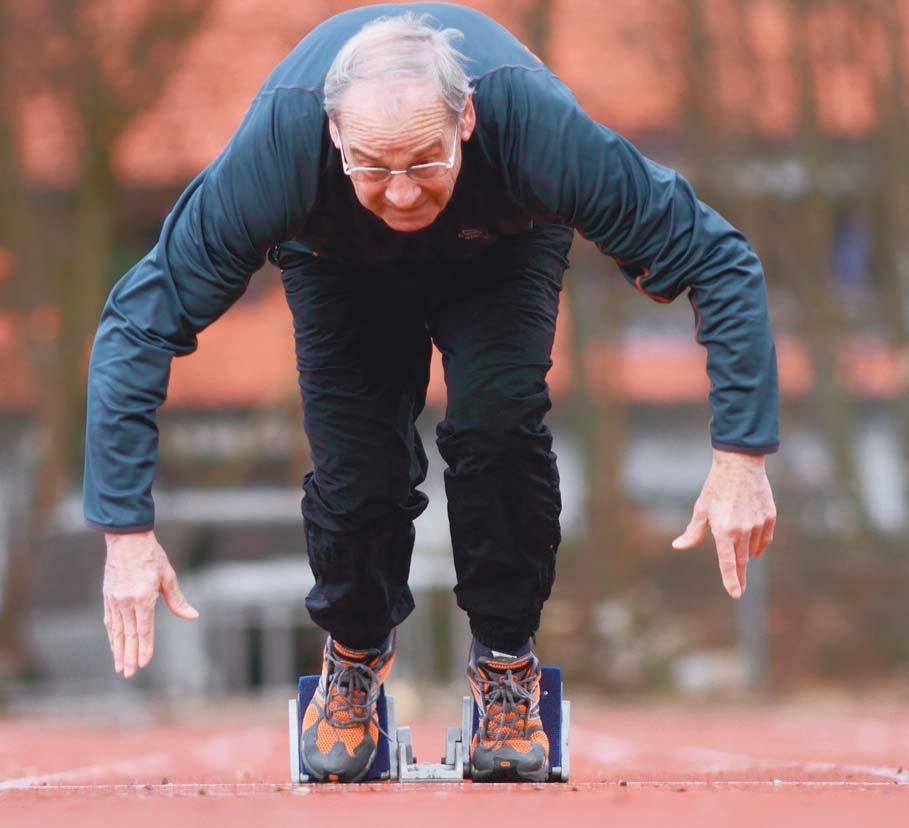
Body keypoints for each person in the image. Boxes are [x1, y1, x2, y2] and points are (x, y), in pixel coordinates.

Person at [85, 4, 778, 783]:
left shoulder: (538, 131)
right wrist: (125, 530)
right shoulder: (275, 154)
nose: (404, 195)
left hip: (501, 244)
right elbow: (138, 323)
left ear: (467, 120)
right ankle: (352, 655)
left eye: (423, 160)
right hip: (335, 257)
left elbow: (717, 260)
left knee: (497, 426)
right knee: (358, 472)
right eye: (376, 167)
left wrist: (740, 454)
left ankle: (505, 664)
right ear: (336, 137)